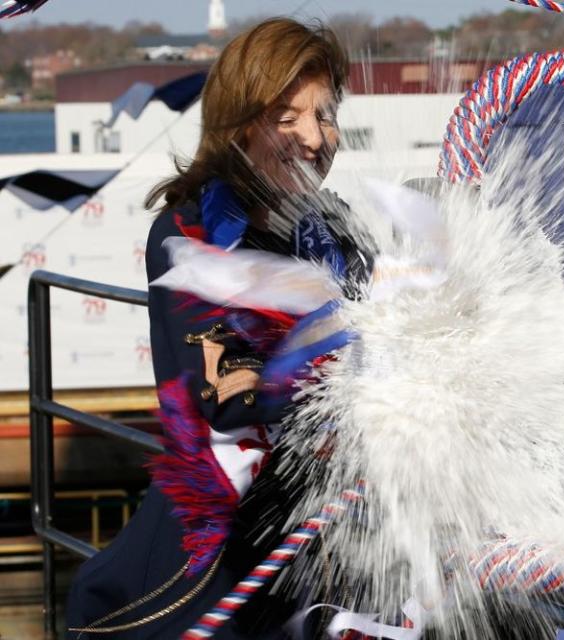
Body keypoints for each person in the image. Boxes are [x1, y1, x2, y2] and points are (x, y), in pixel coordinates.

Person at [66, 18, 370, 638]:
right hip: (217, 550)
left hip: (324, 527)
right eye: (288, 117)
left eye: (325, 114)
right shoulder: (191, 234)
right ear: (238, 125)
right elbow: (233, 397)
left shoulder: (336, 225)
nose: (315, 137)